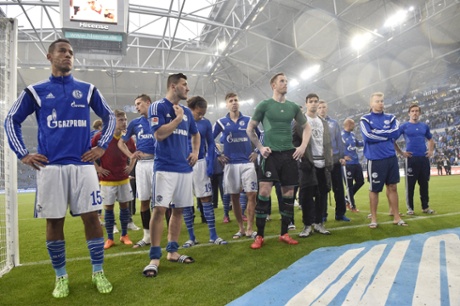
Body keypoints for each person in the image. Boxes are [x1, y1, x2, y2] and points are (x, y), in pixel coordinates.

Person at [4, 38, 114, 298]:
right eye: (63, 51)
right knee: (54, 221)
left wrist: (103, 145)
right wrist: (22, 154)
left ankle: (98, 271)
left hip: (83, 164)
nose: (68, 56)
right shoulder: (35, 91)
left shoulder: (87, 89)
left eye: (71, 53)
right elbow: (11, 119)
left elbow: (109, 116)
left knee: (92, 218)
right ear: (49, 56)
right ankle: (61, 277)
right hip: (50, 167)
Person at [142, 73, 199, 277]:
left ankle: (172, 252)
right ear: (173, 86)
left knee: (179, 211)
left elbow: (196, 133)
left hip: (184, 169)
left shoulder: (186, 112)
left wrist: (195, 151)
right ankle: (154, 257)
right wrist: (177, 119)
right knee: (159, 211)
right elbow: (159, 134)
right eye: (184, 85)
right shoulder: (158, 107)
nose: (187, 88)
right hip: (165, 168)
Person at [246, 72, 311, 249]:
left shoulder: (292, 107)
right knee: (264, 192)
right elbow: (250, 129)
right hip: (271, 155)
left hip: (289, 155)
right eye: (282, 81)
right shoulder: (265, 105)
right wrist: (260, 147)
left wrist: (302, 147)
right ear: (273, 85)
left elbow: (306, 127)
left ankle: (284, 234)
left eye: (286, 81)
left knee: (288, 195)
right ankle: (259, 236)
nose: (285, 84)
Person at [182, 95, 227, 247]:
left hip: (200, 163)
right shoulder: (180, 121)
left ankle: (213, 235)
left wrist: (210, 162)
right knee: (186, 201)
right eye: (199, 113)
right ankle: (191, 237)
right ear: (191, 109)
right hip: (183, 166)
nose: (201, 115)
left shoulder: (206, 123)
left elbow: (211, 143)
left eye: (203, 113)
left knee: (206, 199)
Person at [213, 92, 259, 240]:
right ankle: (240, 228)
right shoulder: (221, 122)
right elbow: (209, 139)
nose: (234, 103)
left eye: (236, 100)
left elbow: (261, 135)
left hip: (247, 163)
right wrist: (218, 154)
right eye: (231, 101)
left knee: (252, 194)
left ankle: (250, 228)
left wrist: (257, 151)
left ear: (239, 103)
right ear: (226, 104)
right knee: (235, 197)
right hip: (231, 165)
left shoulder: (249, 120)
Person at [360, 92, 407, 228]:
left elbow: (396, 132)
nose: (380, 103)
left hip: (391, 158)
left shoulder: (391, 118)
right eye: (377, 101)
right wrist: (387, 135)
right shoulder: (365, 119)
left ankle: (397, 217)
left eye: (382, 101)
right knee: (374, 189)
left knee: (393, 187)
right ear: (371, 103)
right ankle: (373, 219)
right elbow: (367, 136)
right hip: (375, 159)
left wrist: (378, 132)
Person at [92, 109, 136, 249]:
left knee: (125, 208)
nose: (124, 123)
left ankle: (124, 235)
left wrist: (130, 167)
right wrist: (98, 169)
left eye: (125, 120)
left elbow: (134, 154)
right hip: (107, 180)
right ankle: (110, 238)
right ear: (113, 122)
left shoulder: (127, 138)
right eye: (120, 120)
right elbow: (88, 153)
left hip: (123, 178)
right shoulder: (100, 137)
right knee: (108, 209)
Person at [118, 94, 156, 248]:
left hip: (158, 163)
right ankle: (147, 236)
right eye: (136, 104)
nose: (137, 107)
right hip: (142, 166)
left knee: (162, 201)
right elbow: (121, 143)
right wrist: (130, 155)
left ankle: (166, 235)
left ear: (148, 103)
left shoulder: (159, 120)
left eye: (139, 103)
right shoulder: (135, 123)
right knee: (144, 200)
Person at [294, 93, 332, 238]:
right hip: (308, 163)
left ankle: (319, 223)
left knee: (322, 195)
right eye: (311, 102)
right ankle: (307, 225)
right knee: (306, 196)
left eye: (316, 101)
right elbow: (294, 140)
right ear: (306, 104)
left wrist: (328, 159)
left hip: (322, 162)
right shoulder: (300, 121)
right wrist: (301, 155)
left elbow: (327, 142)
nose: (314, 104)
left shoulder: (323, 122)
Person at [394, 104, 435, 215]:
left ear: (420, 113)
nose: (415, 113)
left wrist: (430, 151)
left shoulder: (424, 126)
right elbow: (393, 140)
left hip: (423, 158)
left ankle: (425, 207)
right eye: (412, 111)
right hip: (411, 159)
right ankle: (410, 208)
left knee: (424, 184)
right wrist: (401, 153)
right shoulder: (404, 126)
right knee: (410, 185)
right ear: (409, 113)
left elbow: (431, 139)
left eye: (417, 111)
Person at [317, 100, 350, 222]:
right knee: (323, 188)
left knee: (339, 188)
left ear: (327, 108)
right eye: (319, 107)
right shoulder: (314, 123)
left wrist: (342, 156)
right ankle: (322, 215)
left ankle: (340, 214)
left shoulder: (334, 123)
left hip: (335, 158)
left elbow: (339, 140)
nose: (322, 109)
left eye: (324, 107)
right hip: (322, 160)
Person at [341, 118, 365, 212]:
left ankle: (346, 198)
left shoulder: (353, 134)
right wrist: (342, 156)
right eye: (353, 124)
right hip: (347, 164)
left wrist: (366, 141)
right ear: (349, 124)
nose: (355, 126)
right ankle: (352, 206)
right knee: (349, 186)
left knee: (361, 181)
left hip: (356, 162)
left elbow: (358, 143)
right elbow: (336, 147)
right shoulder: (341, 136)